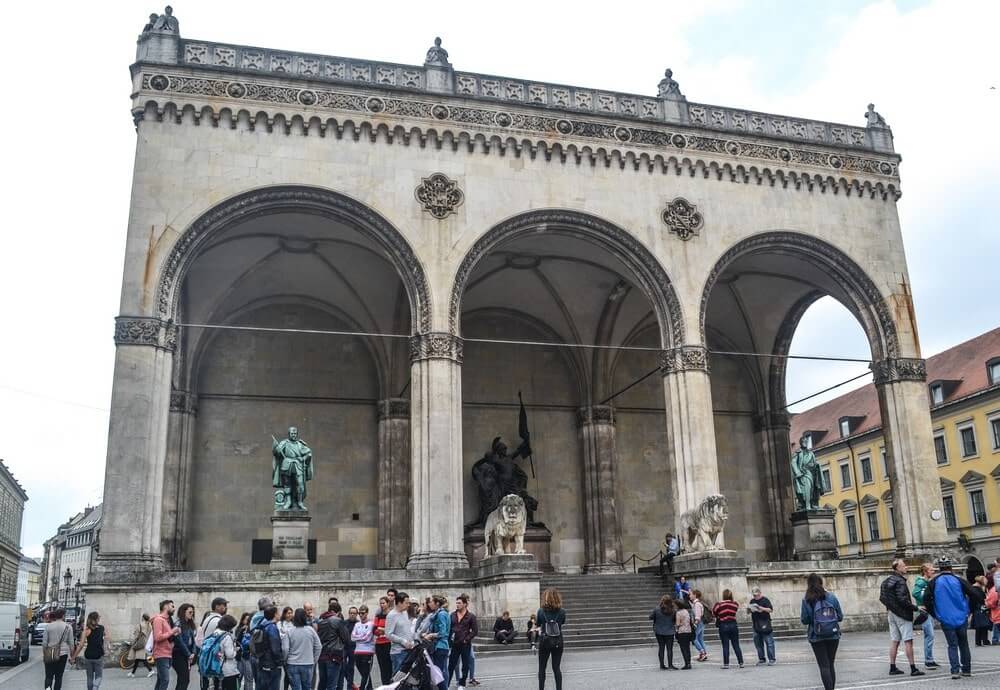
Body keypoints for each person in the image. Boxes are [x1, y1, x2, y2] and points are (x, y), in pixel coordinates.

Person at [924, 556, 975, 679]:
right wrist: (970, 610)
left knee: (952, 645)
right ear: (951, 567)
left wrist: (935, 613)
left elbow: (926, 599)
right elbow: (974, 593)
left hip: (945, 618)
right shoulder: (959, 580)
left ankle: (955, 671)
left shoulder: (934, 582)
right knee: (964, 644)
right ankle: (966, 669)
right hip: (961, 617)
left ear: (939, 569)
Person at [879, 558, 924, 676]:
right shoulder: (900, 582)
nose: (906, 567)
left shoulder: (886, 581)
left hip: (891, 614)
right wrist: (916, 608)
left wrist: (891, 608)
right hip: (902, 615)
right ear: (897, 568)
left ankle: (892, 667)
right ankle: (913, 668)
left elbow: (882, 598)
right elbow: (902, 599)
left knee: (895, 641)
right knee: (908, 641)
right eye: (904, 566)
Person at [801, 573, 844, 690]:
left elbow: (805, 620)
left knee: (824, 666)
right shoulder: (831, 597)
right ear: (821, 583)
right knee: (830, 664)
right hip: (833, 634)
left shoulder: (806, 600)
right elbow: (840, 616)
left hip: (816, 635)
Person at [285, 608, 322, 690]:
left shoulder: (289, 631)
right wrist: (314, 660)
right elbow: (318, 646)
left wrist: (285, 660)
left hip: (292, 663)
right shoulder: (311, 630)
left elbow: (285, 649)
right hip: (308, 663)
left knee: (296, 688)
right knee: (307, 687)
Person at [537, 587, 566, 690]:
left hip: (545, 641)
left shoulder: (541, 611)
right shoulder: (562, 611)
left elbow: (538, 623)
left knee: (542, 668)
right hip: (558, 641)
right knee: (556, 668)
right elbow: (562, 622)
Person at [912, 562, 939, 668]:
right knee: (930, 635)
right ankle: (928, 660)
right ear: (925, 571)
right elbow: (916, 593)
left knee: (930, 635)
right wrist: (925, 601)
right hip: (925, 612)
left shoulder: (927, 581)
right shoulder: (921, 582)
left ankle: (930, 659)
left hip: (929, 611)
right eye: (931, 570)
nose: (933, 571)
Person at [420, 595, 450, 690]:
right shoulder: (438, 613)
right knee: (439, 673)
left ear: (437, 603)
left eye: (431, 602)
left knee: (438, 674)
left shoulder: (441, 614)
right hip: (439, 646)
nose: (429, 604)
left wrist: (431, 635)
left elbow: (443, 632)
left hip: (440, 646)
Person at [448, 594, 478, 688]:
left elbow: (475, 631)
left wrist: (467, 639)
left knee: (465, 665)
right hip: (455, 643)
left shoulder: (471, 616)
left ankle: (462, 684)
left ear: (465, 604)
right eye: (456, 603)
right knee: (451, 665)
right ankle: (447, 684)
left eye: (459, 603)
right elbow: (449, 629)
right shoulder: (452, 615)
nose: (457, 605)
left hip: (465, 644)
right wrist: (449, 641)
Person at [71, 611, 105, 690]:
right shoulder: (102, 628)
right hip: (98, 655)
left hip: (88, 655)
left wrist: (73, 657)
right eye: (98, 617)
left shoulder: (86, 631)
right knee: (99, 676)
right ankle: (95, 687)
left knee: (89, 677)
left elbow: (81, 646)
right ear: (96, 619)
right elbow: (104, 639)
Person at [317, 601, 347, 690]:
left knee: (322, 683)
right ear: (337, 612)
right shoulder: (337, 620)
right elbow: (346, 638)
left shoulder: (321, 621)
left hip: (322, 656)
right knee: (332, 684)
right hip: (333, 656)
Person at [254, 605, 286, 690]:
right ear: (275, 614)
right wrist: (280, 662)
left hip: (263, 662)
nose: (280, 614)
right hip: (272, 665)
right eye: (278, 612)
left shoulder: (262, 626)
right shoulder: (272, 628)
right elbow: (275, 649)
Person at [201, 598, 229, 690]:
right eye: (223, 605)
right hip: (215, 655)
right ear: (217, 606)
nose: (225, 607)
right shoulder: (219, 620)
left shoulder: (208, 618)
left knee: (207, 681)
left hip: (206, 653)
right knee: (216, 683)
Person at [152, 600, 181, 690]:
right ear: (166, 606)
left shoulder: (166, 620)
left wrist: (175, 633)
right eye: (172, 606)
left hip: (167, 653)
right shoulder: (158, 620)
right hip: (161, 654)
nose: (174, 608)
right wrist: (173, 631)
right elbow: (158, 637)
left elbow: (167, 637)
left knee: (161, 680)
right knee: (165, 680)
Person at [42, 608, 74, 690]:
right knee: (59, 676)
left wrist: (44, 654)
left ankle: (48, 689)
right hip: (63, 654)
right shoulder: (68, 627)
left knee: (49, 676)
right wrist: (72, 656)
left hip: (50, 653)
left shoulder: (48, 626)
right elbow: (71, 643)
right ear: (63, 616)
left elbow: (44, 643)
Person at [712, 589, 743, 669]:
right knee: (736, 644)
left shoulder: (718, 604)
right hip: (733, 624)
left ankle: (726, 664)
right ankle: (741, 662)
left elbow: (714, 612)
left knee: (725, 645)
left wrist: (720, 615)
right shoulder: (735, 604)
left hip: (723, 625)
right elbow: (735, 610)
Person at [386, 591, 414, 676]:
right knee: (399, 678)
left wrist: (411, 640)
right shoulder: (391, 615)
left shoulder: (405, 613)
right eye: (406, 603)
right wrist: (403, 641)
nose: (408, 605)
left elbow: (407, 629)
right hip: (398, 652)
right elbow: (388, 634)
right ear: (399, 603)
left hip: (409, 650)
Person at [172, 604, 197, 690]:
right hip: (178, 654)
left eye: (193, 613)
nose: (192, 614)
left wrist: (193, 653)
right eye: (190, 612)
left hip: (187, 654)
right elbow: (179, 641)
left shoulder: (190, 624)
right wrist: (189, 654)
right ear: (183, 612)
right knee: (184, 679)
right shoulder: (178, 624)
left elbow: (194, 640)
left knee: (183, 680)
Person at [351, 605, 376, 690]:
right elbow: (352, 637)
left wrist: (359, 637)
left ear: (367, 613)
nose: (361, 615)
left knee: (365, 674)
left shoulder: (371, 624)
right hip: (357, 652)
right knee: (364, 674)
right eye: (359, 613)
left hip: (368, 652)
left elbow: (367, 638)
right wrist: (361, 637)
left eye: (363, 613)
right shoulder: (357, 624)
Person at [749, 586, 776, 666]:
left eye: (756, 595)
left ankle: (771, 659)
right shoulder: (752, 601)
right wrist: (749, 610)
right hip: (756, 624)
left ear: (760, 593)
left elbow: (770, 609)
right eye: (754, 595)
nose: (755, 597)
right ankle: (761, 658)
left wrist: (761, 608)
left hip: (765, 623)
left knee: (769, 642)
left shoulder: (765, 600)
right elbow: (750, 610)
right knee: (758, 643)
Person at [649, 595, 677, 670]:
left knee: (661, 647)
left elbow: (650, 617)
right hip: (670, 631)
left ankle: (662, 665)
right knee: (669, 649)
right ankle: (670, 665)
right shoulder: (673, 610)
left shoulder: (657, 609)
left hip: (659, 631)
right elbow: (675, 620)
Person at [127, 613, 155, 677]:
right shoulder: (150, 625)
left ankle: (150, 670)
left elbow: (136, 635)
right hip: (146, 643)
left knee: (142, 658)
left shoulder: (140, 625)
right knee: (138, 658)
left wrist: (133, 642)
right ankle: (133, 673)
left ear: (142, 618)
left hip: (140, 643)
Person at [373, 597, 392, 686]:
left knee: (389, 666)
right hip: (379, 643)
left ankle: (390, 684)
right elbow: (374, 629)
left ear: (388, 603)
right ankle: (384, 685)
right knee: (382, 667)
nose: (382, 605)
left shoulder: (391, 614)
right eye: (380, 603)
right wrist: (381, 630)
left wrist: (381, 629)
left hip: (388, 643)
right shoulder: (378, 615)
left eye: (383, 603)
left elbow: (391, 629)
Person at [339, 606, 359, 690]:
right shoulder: (344, 623)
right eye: (351, 613)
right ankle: (345, 684)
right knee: (342, 666)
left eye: (354, 613)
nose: (352, 615)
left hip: (354, 648)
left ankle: (350, 687)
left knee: (351, 668)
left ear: (357, 614)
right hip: (344, 647)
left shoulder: (359, 624)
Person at [235, 612, 255, 690]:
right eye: (246, 619)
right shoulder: (241, 629)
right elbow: (237, 641)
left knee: (249, 678)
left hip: (247, 656)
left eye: (248, 620)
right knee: (239, 677)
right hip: (241, 657)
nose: (247, 621)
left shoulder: (252, 630)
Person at [970, 576, 992, 646]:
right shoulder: (977, 590)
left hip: (977, 609)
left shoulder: (974, 589)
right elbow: (982, 600)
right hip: (979, 609)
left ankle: (979, 641)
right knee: (983, 625)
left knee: (979, 626)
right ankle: (984, 640)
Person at [278, 607, 295, 690]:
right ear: (284, 614)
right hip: (284, 651)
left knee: (289, 674)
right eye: (288, 613)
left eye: (291, 613)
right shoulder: (280, 624)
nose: (290, 615)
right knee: (288, 673)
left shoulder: (294, 624)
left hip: (292, 651)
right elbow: (279, 635)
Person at [674, 597, 694, 670]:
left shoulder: (678, 613)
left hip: (682, 632)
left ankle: (686, 664)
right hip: (688, 631)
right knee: (687, 648)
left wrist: (676, 628)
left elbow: (678, 624)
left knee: (683, 648)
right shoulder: (686, 611)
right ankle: (689, 663)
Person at [690, 589, 708, 662]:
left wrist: (695, 624)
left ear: (695, 595)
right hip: (701, 623)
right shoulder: (697, 603)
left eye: (691, 594)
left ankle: (702, 653)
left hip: (698, 623)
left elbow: (698, 616)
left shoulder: (697, 604)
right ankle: (704, 653)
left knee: (694, 638)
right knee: (700, 639)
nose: (690, 596)